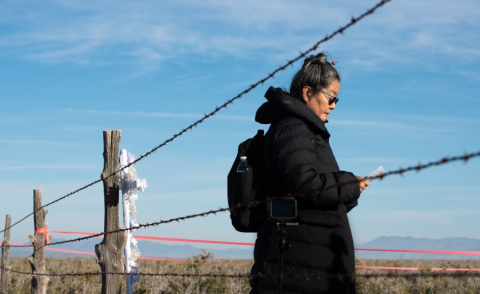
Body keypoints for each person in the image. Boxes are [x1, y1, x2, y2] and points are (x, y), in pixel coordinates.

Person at [250, 52, 369, 294]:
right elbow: (305, 184)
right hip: (298, 265)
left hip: (310, 261)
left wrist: (350, 193)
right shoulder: (294, 127)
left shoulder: (306, 130)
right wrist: (348, 184)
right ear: (307, 93)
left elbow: (313, 196)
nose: (333, 106)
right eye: (330, 98)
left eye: (337, 100)